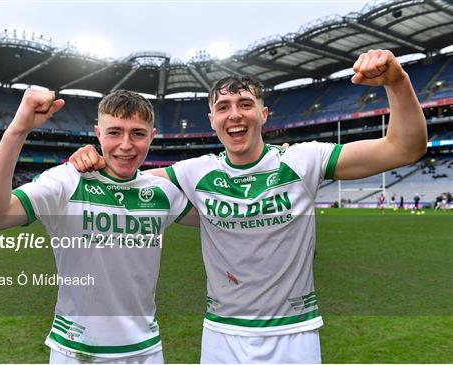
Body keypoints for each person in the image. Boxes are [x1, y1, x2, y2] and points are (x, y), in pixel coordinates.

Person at [69, 49, 427, 363]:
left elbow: (403, 148)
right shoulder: (195, 172)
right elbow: (126, 177)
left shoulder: (303, 160)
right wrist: (93, 158)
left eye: (245, 105)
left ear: (264, 114)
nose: (234, 114)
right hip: (222, 336)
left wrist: (397, 81)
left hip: (294, 335)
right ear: (212, 120)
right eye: (223, 107)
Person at [0, 89, 197, 363]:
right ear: (98, 133)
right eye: (114, 132)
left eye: (138, 134)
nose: (126, 145)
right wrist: (18, 130)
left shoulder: (164, 193)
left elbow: (223, 220)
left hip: (146, 350)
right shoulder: (68, 181)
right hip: (76, 352)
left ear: (152, 136)